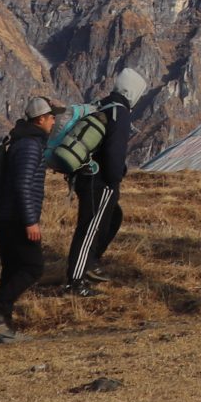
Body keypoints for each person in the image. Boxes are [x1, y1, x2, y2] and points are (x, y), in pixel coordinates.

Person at [0, 97, 60, 342]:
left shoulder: (21, 141)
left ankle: (3, 330)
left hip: (5, 216)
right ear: (40, 119)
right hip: (16, 218)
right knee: (32, 267)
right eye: (51, 117)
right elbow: (23, 185)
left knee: (12, 270)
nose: (54, 121)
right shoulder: (29, 145)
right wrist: (30, 221)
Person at [64, 67, 143, 296]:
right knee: (89, 228)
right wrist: (115, 180)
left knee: (113, 217)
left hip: (85, 177)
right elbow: (114, 152)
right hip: (100, 181)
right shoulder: (120, 112)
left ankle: (90, 262)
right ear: (134, 92)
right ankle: (75, 282)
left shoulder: (104, 104)